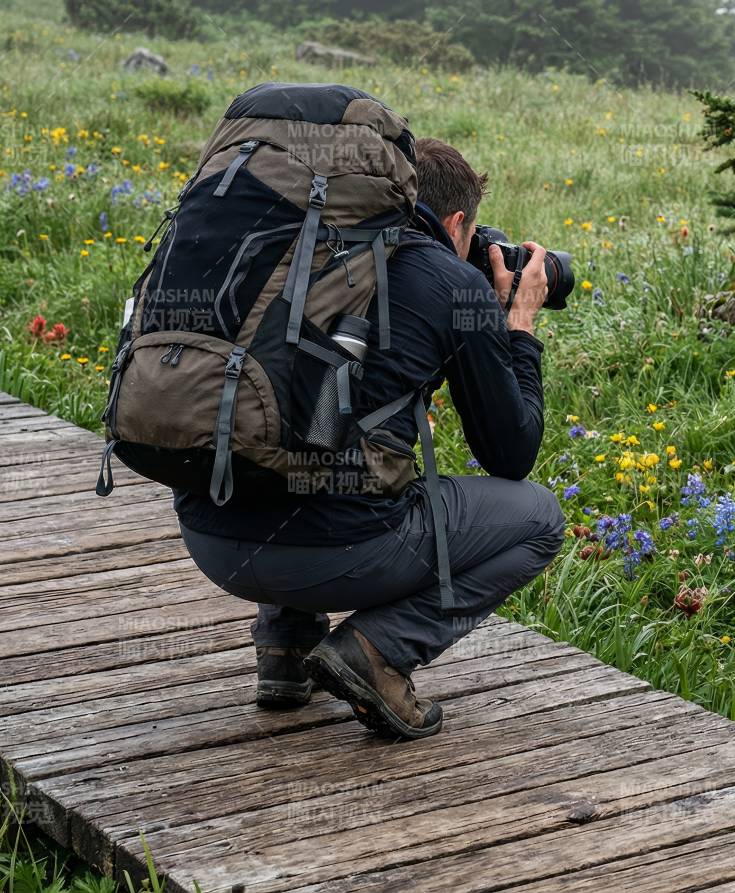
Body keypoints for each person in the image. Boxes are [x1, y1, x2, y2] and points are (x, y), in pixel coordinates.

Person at [177, 138, 563, 740]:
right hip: (338, 554)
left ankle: (283, 647)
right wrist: (516, 324)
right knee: (539, 517)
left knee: (304, 418)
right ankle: (376, 650)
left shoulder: (293, 249)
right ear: (456, 222)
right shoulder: (449, 284)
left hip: (210, 537)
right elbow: (511, 454)